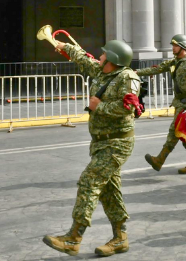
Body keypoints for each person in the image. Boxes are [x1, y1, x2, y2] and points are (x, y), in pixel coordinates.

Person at [42, 38, 139, 257]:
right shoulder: (102, 72)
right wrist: (63, 46)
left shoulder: (128, 78)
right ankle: (120, 239)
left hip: (117, 142)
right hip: (101, 142)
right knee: (109, 190)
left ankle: (73, 238)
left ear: (113, 59)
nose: (100, 55)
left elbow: (128, 108)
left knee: (90, 181)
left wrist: (100, 106)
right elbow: (84, 58)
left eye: (104, 53)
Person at [140, 34, 186, 174]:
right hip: (179, 102)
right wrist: (136, 72)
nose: (173, 48)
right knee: (183, 134)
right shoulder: (174, 62)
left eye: (175, 45)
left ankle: (159, 160)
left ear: (182, 47)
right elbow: (156, 69)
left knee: (175, 131)